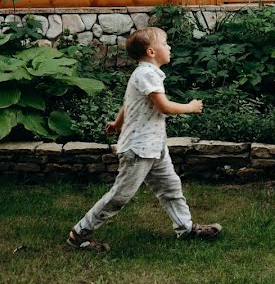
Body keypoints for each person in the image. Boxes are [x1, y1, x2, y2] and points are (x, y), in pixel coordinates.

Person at [67, 27, 222, 252]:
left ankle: (186, 228)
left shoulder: (147, 74)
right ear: (151, 51)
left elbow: (129, 101)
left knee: (171, 187)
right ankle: (80, 233)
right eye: (165, 43)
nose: (169, 47)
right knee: (120, 195)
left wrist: (118, 123)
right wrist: (190, 107)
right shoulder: (146, 74)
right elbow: (164, 106)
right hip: (139, 149)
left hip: (154, 146)